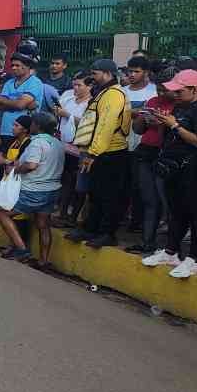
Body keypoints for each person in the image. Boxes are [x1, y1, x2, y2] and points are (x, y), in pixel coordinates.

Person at [66, 59, 132, 249]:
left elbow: (106, 126)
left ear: (107, 74)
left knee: (109, 196)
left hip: (110, 153)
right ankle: (91, 229)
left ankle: (107, 233)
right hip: (101, 152)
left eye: (95, 74)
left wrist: (92, 154)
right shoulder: (104, 93)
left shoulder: (113, 95)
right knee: (95, 194)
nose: (92, 78)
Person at [142, 69, 197, 277]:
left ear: (194, 89)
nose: (175, 94)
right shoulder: (181, 107)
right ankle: (171, 252)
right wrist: (163, 124)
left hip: (192, 170)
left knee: (194, 214)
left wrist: (174, 125)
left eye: (180, 91)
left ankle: (193, 259)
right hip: (173, 169)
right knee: (177, 212)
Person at [0, 112, 65, 266]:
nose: (31, 125)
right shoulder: (58, 144)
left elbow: (31, 165)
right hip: (52, 190)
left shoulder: (36, 143)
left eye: (33, 123)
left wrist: (15, 170)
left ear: (38, 126)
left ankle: (21, 249)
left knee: (2, 213)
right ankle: (44, 260)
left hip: (33, 190)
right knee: (43, 224)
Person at [0, 43, 43, 190]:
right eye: (12, 65)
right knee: (3, 165)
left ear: (27, 66)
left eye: (17, 65)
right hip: (6, 131)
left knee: (18, 165)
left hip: (24, 133)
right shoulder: (9, 83)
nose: (13, 68)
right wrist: (17, 102)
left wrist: (8, 101)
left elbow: (20, 105)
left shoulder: (35, 83)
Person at [122, 56, 159, 237]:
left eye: (137, 71)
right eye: (130, 71)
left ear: (146, 73)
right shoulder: (122, 91)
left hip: (142, 145)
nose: (132, 74)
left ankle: (137, 221)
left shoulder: (153, 92)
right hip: (122, 142)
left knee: (139, 186)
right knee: (123, 183)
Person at [54, 72, 94, 226]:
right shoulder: (69, 99)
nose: (75, 88)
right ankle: (62, 213)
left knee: (77, 184)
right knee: (65, 181)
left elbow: (87, 123)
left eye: (79, 85)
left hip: (80, 149)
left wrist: (67, 114)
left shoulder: (90, 104)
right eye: (74, 85)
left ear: (89, 86)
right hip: (64, 146)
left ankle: (74, 216)